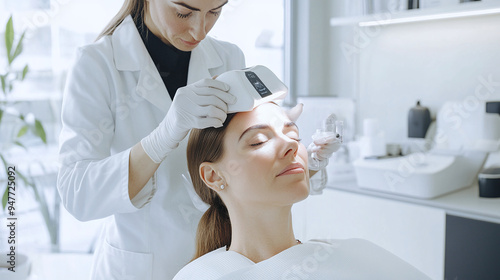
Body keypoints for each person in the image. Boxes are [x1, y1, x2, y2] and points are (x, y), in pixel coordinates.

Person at [57, 0, 246, 279]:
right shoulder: (96, 64)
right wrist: (163, 137)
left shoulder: (229, 57)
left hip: (218, 260)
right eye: (183, 12)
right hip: (140, 266)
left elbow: (241, 168)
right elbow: (77, 193)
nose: (200, 30)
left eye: (215, 12)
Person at [173, 102, 432, 280]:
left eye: (293, 134)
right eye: (259, 141)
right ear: (214, 175)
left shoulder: (357, 257)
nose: (291, 145)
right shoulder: (200, 275)